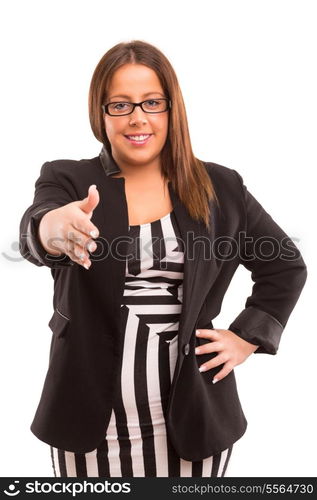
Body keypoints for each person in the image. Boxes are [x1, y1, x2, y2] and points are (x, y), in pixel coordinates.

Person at [19, 40, 307, 478]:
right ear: (100, 112)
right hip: (88, 421)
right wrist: (52, 230)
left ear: (172, 109)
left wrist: (247, 337)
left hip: (194, 421)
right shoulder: (68, 178)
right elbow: (38, 228)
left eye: (152, 102)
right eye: (120, 104)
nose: (138, 118)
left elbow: (285, 264)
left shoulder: (221, 187)